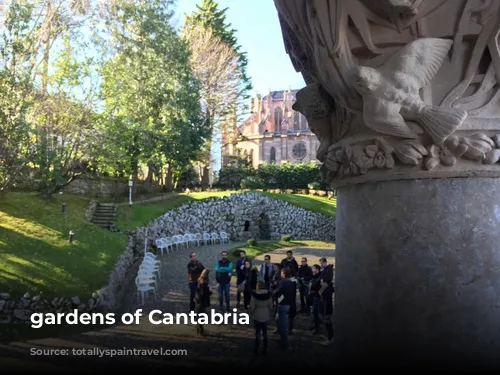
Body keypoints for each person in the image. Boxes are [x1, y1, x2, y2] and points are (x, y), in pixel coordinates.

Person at [248, 281, 273, 356]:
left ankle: (256, 349)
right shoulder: (268, 295)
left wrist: (251, 312)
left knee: (257, 333)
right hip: (265, 315)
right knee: (265, 333)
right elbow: (271, 306)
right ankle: (265, 348)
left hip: (257, 315)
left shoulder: (254, 295)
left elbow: (252, 306)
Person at [274, 267, 296, 350]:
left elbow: (277, 292)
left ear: (284, 274)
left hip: (282, 304)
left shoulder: (282, 283)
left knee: (283, 325)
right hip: (288, 304)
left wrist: (275, 292)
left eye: (281, 273)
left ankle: (285, 344)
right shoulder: (292, 283)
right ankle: (281, 336)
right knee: (277, 319)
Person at [194, 269, 212, 336]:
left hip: (198, 300)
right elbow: (204, 293)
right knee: (201, 315)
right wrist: (210, 291)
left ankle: (199, 329)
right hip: (202, 301)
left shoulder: (199, 280)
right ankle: (201, 331)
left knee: (199, 315)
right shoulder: (204, 283)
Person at [318, 278, 334, 346]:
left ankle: (330, 338)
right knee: (327, 323)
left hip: (327, 310)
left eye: (322, 282)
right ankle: (330, 337)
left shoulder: (327, 290)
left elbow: (326, 302)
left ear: (325, 283)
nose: (320, 283)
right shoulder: (325, 288)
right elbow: (319, 293)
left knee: (327, 324)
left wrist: (325, 311)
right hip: (324, 309)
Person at [308, 264, 322, 333]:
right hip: (313, 296)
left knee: (315, 312)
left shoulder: (320, 277)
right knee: (313, 311)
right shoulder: (314, 276)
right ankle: (315, 325)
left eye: (313, 268)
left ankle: (317, 327)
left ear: (317, 269)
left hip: (317, 296)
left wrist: (316, 292)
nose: (312, 270)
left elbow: (322, 288)